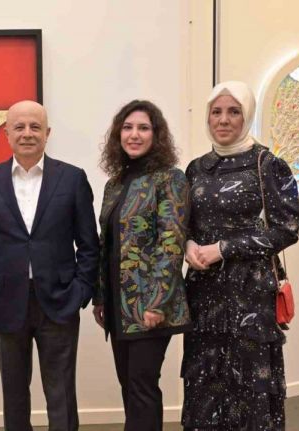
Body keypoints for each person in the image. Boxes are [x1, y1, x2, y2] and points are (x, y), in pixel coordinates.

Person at [0, 100, 99, 431]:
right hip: (6, 300)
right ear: (6, 134)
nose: (27, 133)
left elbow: (89, 244)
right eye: (19, 127)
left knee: (61, 392)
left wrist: (81, 291)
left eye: (35, 127)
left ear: (47, 133)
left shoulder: (72, 179)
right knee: (13, 394)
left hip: (60, 300)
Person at [181, 81, 299, 430]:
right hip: (204, 295)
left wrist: (223, 249)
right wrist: (188, 245)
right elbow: (185, 224)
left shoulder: (268, 165)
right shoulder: (196, 168)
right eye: (216, 112)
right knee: (205, 381)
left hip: (250, 295)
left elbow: (286, 229)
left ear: (247, 115)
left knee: (249, 384)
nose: (223, 120)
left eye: (234, 111)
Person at [92, 100, 191, 431]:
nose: (134, 134)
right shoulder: (115, 184)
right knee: (129, 385)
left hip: (150, 306)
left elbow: (171, 244)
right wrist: (100, 298)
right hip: (118, 306)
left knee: (142, 387)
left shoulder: (170, 179)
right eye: (128, 127)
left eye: (143, 128)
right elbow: (106, 245)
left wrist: (157, 301)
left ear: (156, 135)